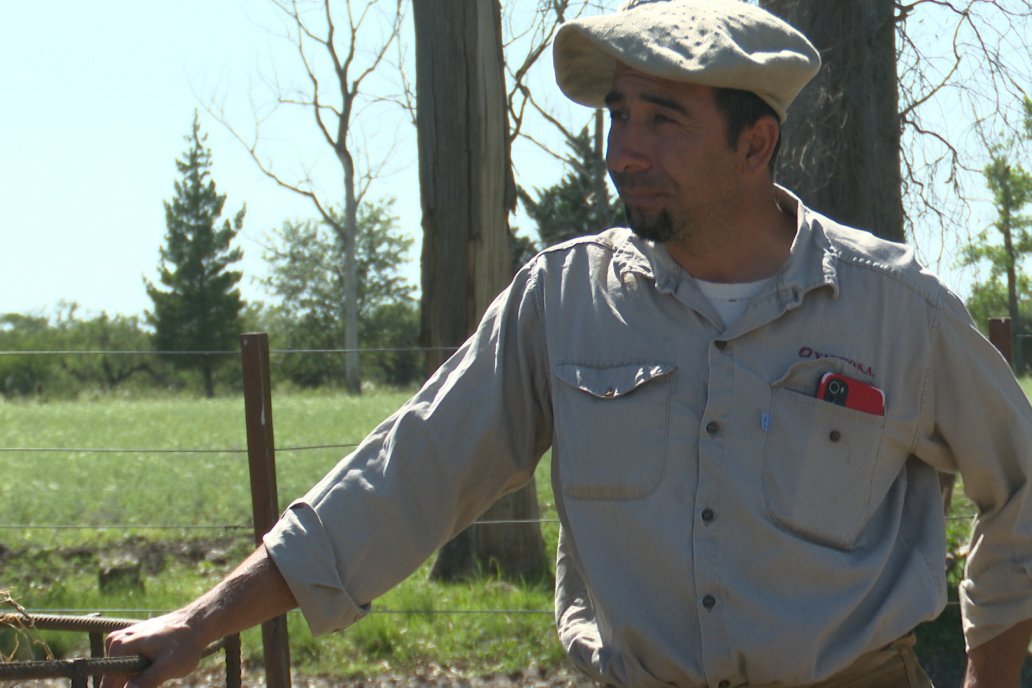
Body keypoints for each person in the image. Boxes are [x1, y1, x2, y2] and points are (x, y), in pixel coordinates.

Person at [102, 1, 1032, 686]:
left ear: (757, 145)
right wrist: (200, 622)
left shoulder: (892, 310)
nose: (621, 150)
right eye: (618, 116)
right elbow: (408, 475)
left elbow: (1023, 488)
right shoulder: (565, 302)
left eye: (661, 119)